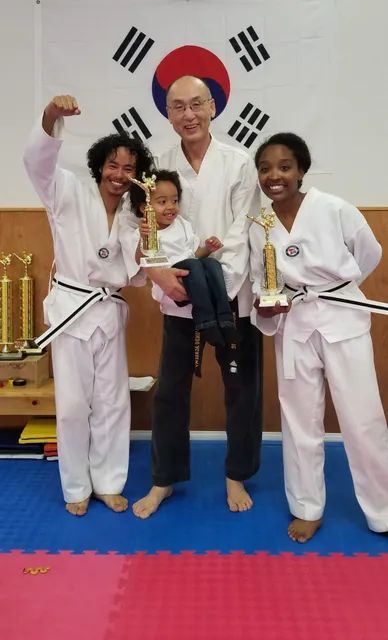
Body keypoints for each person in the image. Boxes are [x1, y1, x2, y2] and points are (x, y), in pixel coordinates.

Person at [129, 75, 262, 518]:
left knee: (241, 388)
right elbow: (145, 231)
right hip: (176, 295)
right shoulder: (158, 166)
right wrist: (162, 277)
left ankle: (236, 473)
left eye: (196, 105)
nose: (189, 115)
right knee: (170, 392)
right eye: (178, 107)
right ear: (167, 114)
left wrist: (213, 289)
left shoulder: (238, 161)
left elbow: (244, 230)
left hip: (229, 297)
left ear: (213, 108)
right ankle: (164, 480)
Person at [250, 131, 388, 542]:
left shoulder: (334, 208)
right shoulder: (260, 224)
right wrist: (266, 301)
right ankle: (307, 507)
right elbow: (261, 278)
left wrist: (337, 290)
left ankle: (382, 508)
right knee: (299, 420)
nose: (275, 176)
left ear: (302, 170)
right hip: (293, 324)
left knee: (362, 419)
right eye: (265, 168)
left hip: (341, 318)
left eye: (285, 167)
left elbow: (369, 253)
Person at [23, 94, 154, 517]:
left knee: (114, 401)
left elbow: (136, 273)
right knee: (75, 403)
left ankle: (109, 481)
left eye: (129, 169)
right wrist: (50, 117)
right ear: (100, 165)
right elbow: (36, 163)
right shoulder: (67, 191)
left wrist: (149, 247)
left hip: (108, 310)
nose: (119, 174)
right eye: (113, 165)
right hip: (72, 310)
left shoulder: (136, 216)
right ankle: (76, 485)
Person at [129, 168, 239, 348]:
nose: (171, 206)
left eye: (174, 200)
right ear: (144, 207)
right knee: (193, 265)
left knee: (211, 263)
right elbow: (139, 259)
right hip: (171, 288)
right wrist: (144, 237)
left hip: (194, 280)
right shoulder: (143, 232)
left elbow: (194, 254)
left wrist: (208, 249)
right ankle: (206, 322)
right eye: (162, 202)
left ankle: (225, 318)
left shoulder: (182, 224)